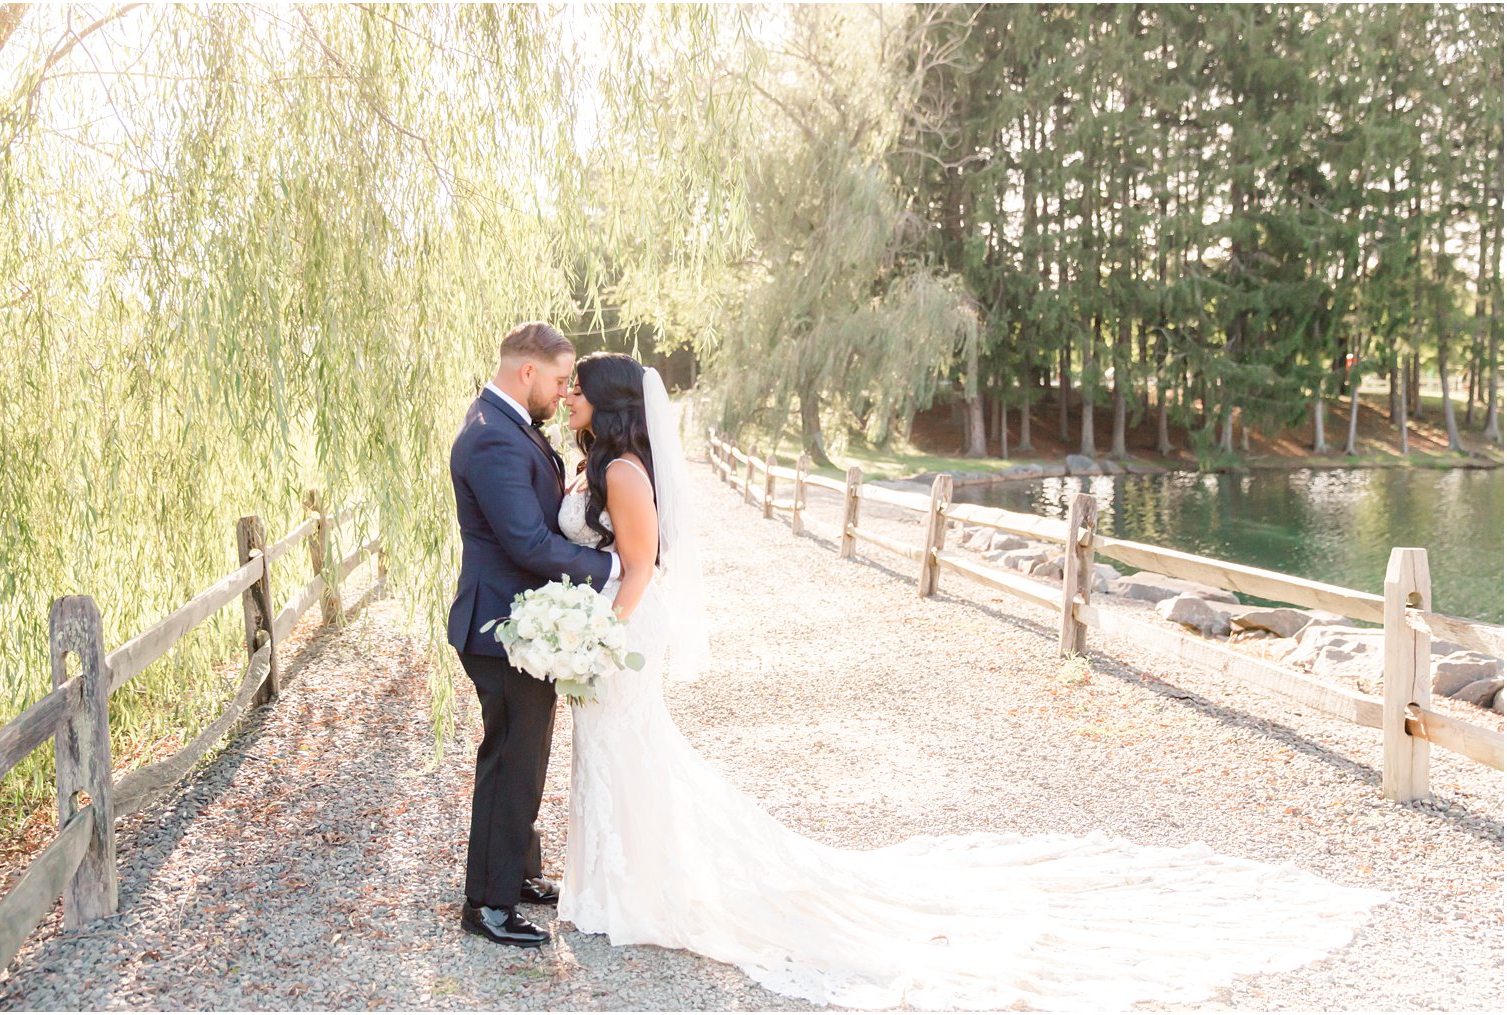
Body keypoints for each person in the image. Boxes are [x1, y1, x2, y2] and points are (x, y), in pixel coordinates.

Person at [551, 350, 1388, 1010]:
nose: (571, 397)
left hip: (623, 629)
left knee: (633, 749)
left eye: (580, 389)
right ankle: (610, 883)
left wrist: (596, 635)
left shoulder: (626, 474)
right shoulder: (599, 463)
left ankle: (637, 891)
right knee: (619, 750)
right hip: (608, 631)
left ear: (613, 403)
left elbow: (638, 569)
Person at [446, 322, 620, 949]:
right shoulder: (492, 438)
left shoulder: (508, 426)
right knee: (510, 760)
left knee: (528, 752)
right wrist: (611, 567)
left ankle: (515, 872)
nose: (561, 391)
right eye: (555, 379)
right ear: (527, 372)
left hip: (520, 626)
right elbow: (526, 541)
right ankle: (487, 904)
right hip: (499, 628)